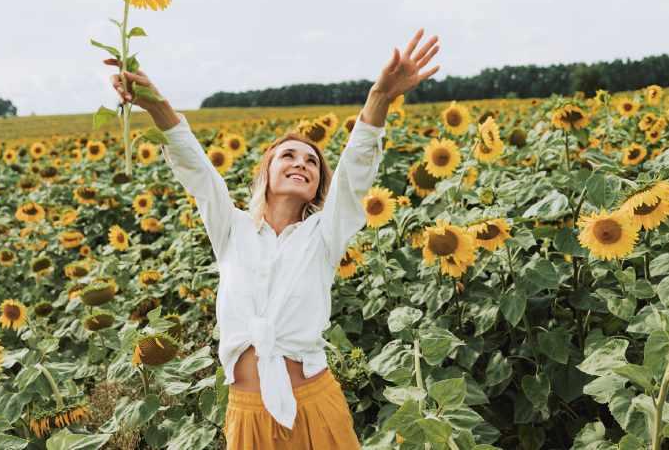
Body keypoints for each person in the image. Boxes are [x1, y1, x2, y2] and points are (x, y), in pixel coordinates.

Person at [105, 28, 440, 449]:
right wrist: (154, 103)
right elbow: (196, 170)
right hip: (246, 416)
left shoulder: (323, 235)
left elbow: (355, 171)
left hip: (314, 405)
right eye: (289, 156)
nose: (301, 163)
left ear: (319, 186)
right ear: (266, 172)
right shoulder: (232, 228)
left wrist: (380, 96)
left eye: (312, 163)